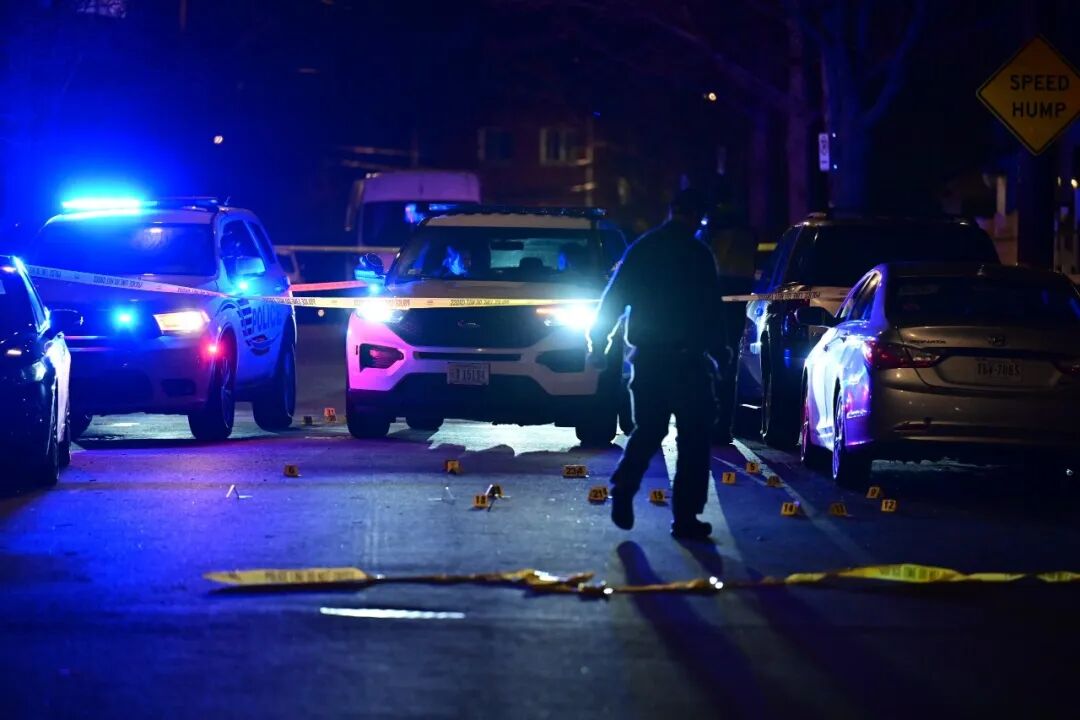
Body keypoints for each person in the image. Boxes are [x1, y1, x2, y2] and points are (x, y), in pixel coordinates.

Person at [587, 188, 725, 540]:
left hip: (648, 360)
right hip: (689, 361)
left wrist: (598, 344)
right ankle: (686, 518)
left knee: (649, 430)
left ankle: (624, 487)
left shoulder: (643, 248)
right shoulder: (698, 253)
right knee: (694, 439)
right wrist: (720, 352)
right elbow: (712, 308)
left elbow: (613, 299)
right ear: (697, 217)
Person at [700, 222, 758, 444]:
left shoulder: (710, 236)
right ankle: (722, 426)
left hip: (713, 309)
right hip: (731, 310)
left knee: (710, 368)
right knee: (727, 367)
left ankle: (713, 425)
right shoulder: (746, 235)